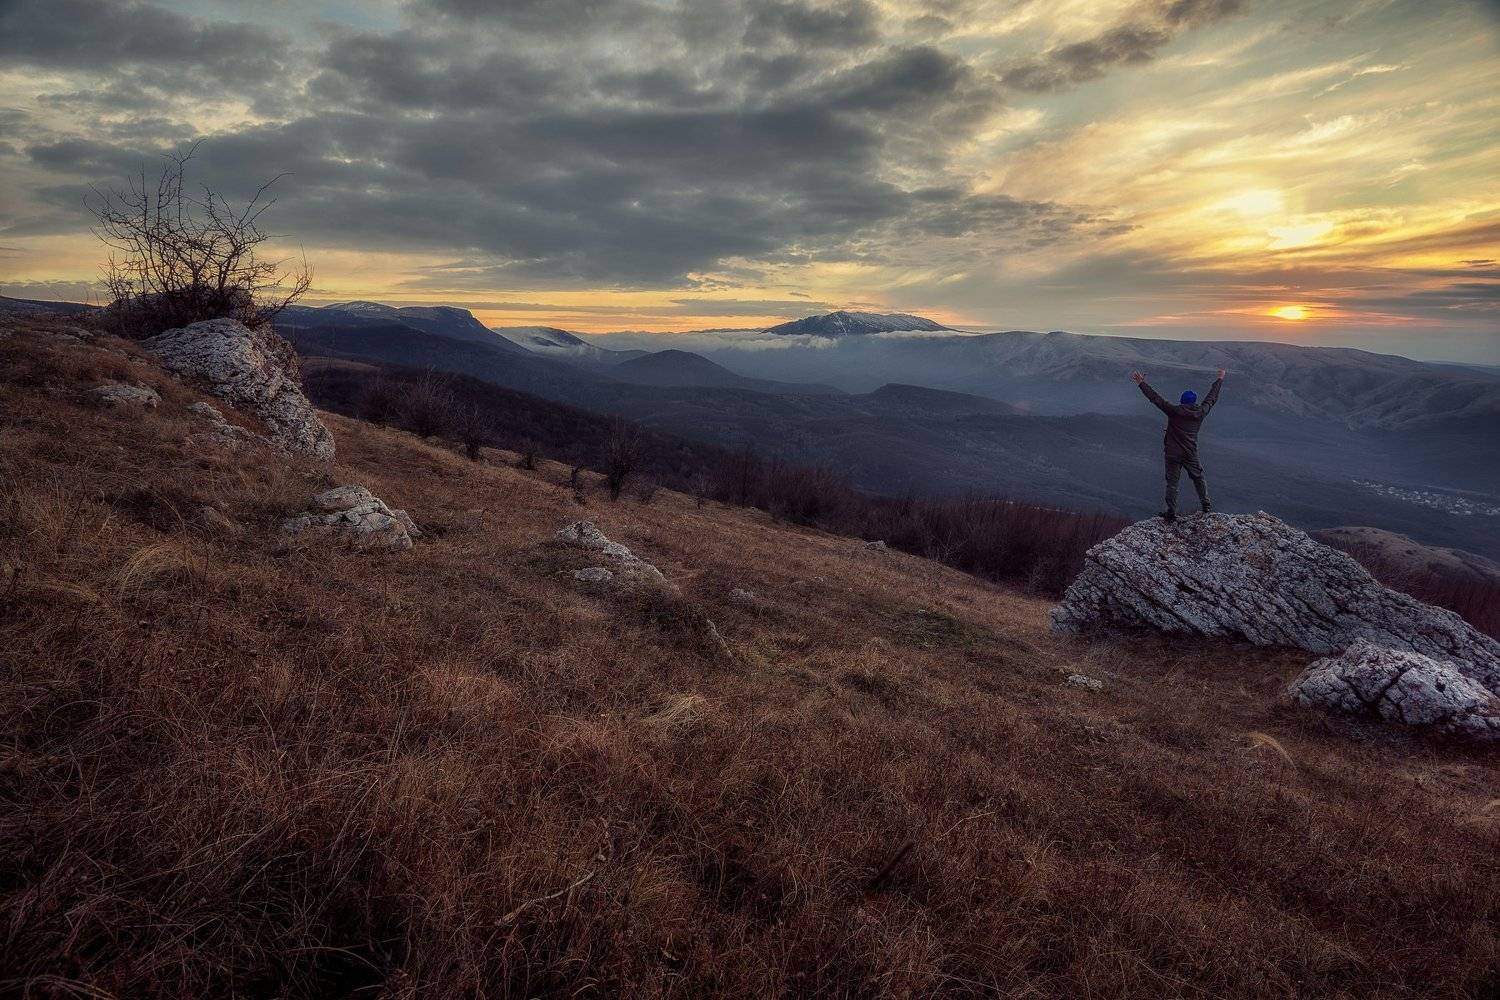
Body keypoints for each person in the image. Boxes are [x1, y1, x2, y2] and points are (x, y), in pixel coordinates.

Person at [1130, 367, 1226, 523]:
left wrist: (1141, 383)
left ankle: (1171, 513)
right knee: (1198, 477)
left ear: (1182, 401)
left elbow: (1156, 398)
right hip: (1190, 453)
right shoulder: (1200, 412)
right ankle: (1206, 505)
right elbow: (1211, 398)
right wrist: (1220, 379)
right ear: (1194, 402)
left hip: (1173, 453)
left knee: (1172, 483)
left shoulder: (1174, 411)